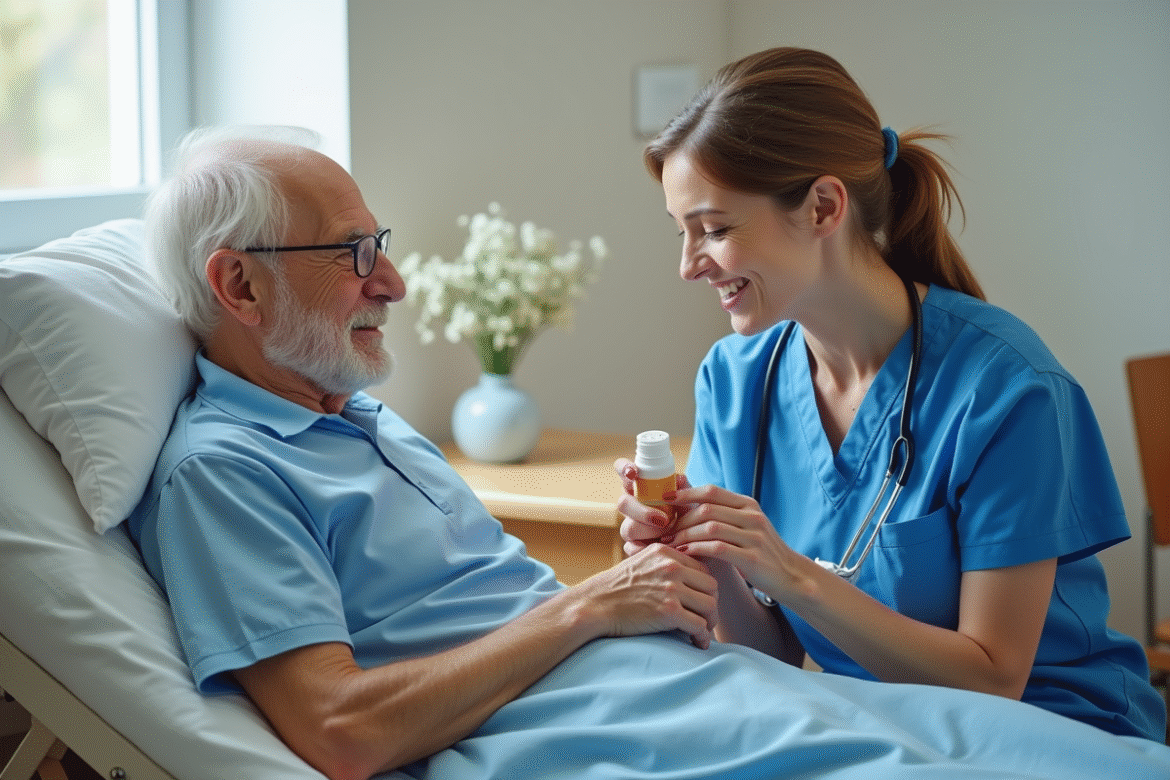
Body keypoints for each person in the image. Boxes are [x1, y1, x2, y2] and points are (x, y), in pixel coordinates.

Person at [126, 125, 1170, 780]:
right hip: (616, 718)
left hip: (738, 690)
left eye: (381, 247)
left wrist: (696, 584)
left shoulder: (361, 421)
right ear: (240, 286)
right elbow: (343, 732)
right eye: (356, 256)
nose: (392, 283)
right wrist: (602, 600)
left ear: (822, 209)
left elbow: (949, 672)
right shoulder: (229, 470)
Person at [614, 46, 1165, 742]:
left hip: (1049, 730)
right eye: (683, 233)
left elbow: (994, 679)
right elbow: (773, 652)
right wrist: (709, 553)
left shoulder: (1007, 392)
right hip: (879, 726)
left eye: (714, 229)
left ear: (821, 206)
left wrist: (789, 573)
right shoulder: (733, 381)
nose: (689, 265)